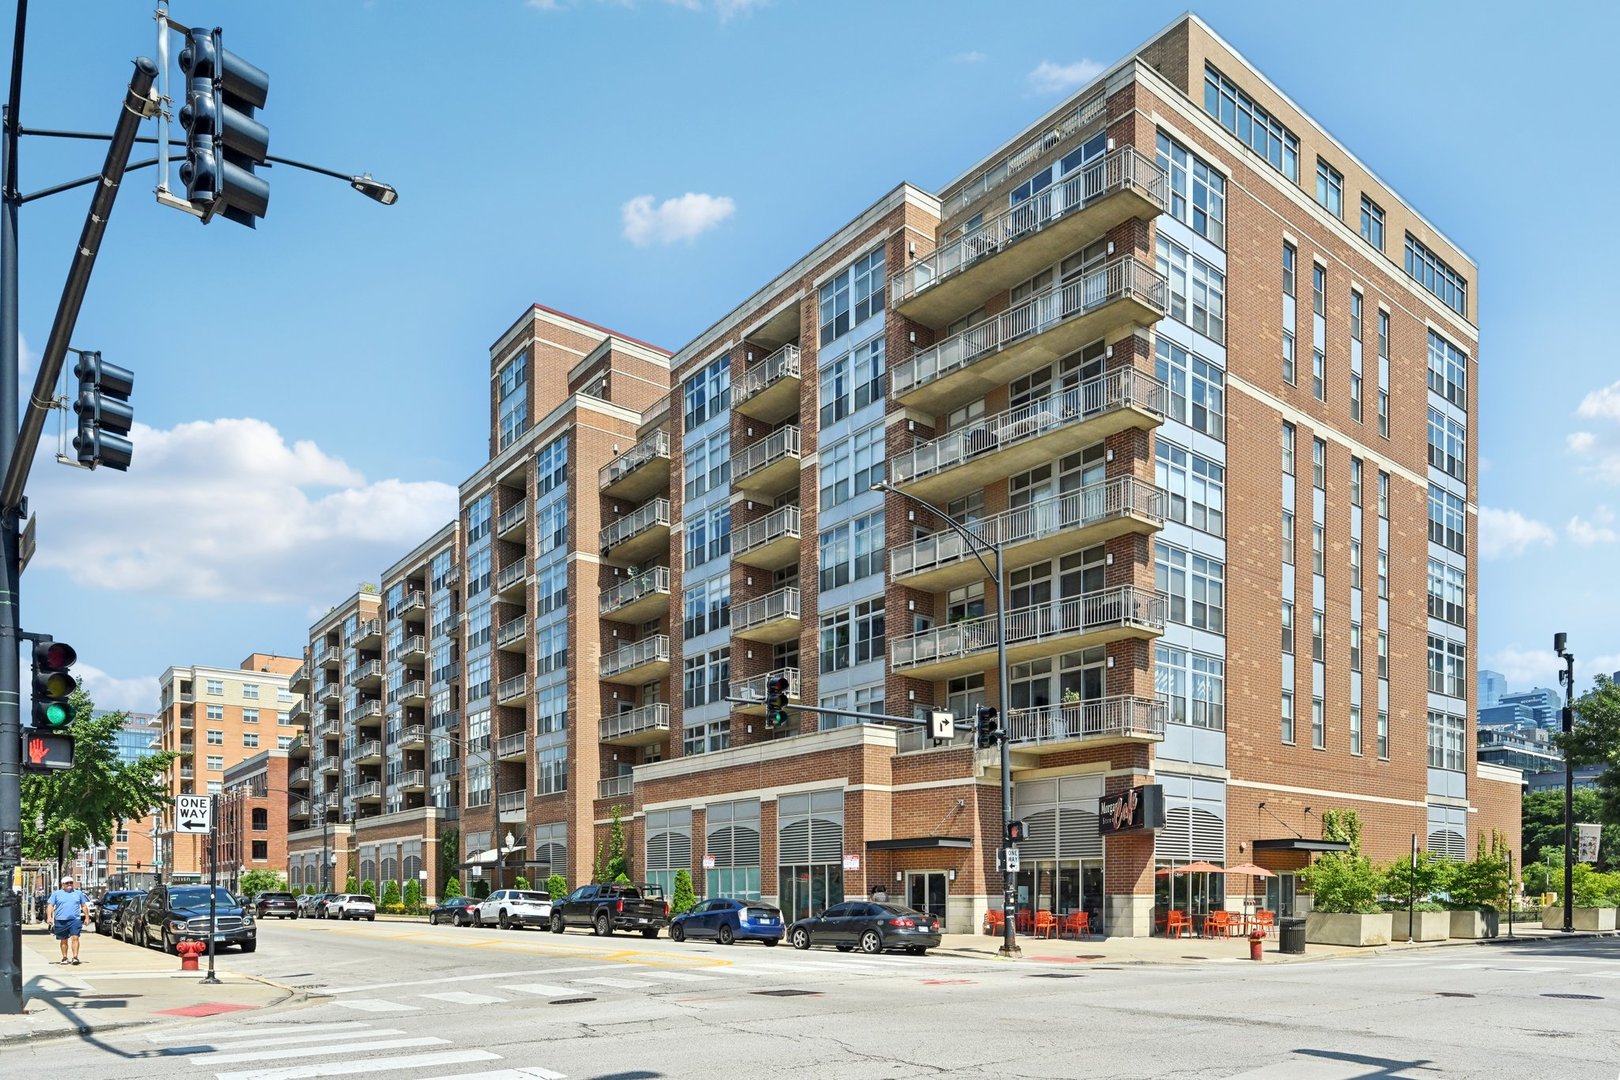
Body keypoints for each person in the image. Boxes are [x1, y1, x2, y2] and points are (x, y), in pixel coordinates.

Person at [47, 874, 90, 966]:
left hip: (75, 919)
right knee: (64, 940)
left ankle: (75, 957)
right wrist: (49, 917)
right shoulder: (56, 894)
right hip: (61, 920)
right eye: (67, 883)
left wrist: (87, 917)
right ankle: (65, 957)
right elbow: (50, 905)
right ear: (63, 884)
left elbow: (83, 906)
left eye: (71, 882)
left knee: (75, 938)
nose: (69, 884)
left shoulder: (78, 893)